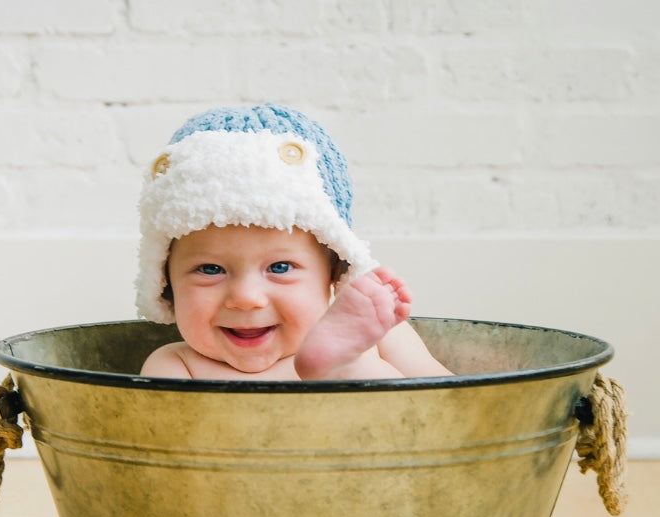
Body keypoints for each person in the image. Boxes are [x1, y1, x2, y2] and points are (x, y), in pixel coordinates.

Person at [135, 104, 451, 381]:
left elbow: (454, 402)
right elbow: (168, 442)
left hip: (384, 439)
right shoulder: (177, 365)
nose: (246, 298)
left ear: (334, 272)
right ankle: (339, 377)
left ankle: (345, 371)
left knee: (410, 397)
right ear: (166, 281)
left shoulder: (377, 335)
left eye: (280, 267)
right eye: (209, 268)